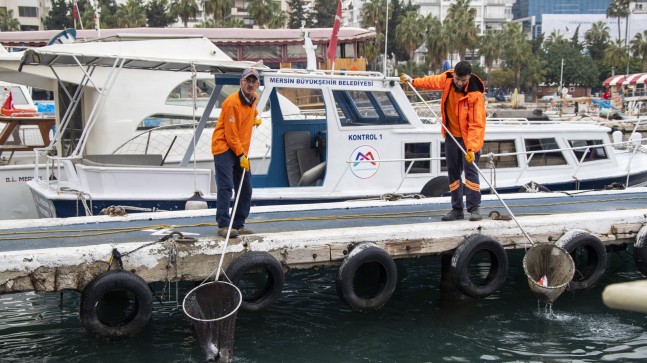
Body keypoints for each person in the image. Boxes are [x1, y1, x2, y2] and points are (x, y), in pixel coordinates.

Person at [401, 61, 486, 221]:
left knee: (471, 174)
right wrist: (413, 81)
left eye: (463, 80)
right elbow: (431, 81)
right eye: (457, 79)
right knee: (453, 174)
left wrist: (471, 149)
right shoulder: (447, 78)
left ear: (469, 77)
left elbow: (477, 124)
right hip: (451, 136)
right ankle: (457, 209)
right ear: (454, 74)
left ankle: (474, 209)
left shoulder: (475, 95)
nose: (459, 83)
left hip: (468, 141)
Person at [212, 68, 262, 238]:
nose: (250, 84)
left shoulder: (254, 98)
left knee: (245, 188)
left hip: (239, 149)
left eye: (253, 81)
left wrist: (255, 117)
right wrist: (241, 155)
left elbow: (251, 109)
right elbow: (230, 134)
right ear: (241, 82)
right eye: (247, 81)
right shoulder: (231, 102)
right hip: (224, 147)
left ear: (258, 84)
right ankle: (224, 225)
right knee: (226, 187)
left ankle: (238, 224)